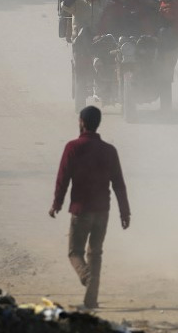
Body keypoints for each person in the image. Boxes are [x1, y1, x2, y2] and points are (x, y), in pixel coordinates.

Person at [49, 106, 130, 311]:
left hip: (81, 210)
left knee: (74, 252)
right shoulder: (109, 151)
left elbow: (63, 179)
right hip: (103, 211)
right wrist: (125, 212)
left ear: (82, 122)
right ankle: (91, 300)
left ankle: (86, 277)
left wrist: (56, 204)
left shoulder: (73, 147)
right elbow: (119, 184)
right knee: (95, 254)